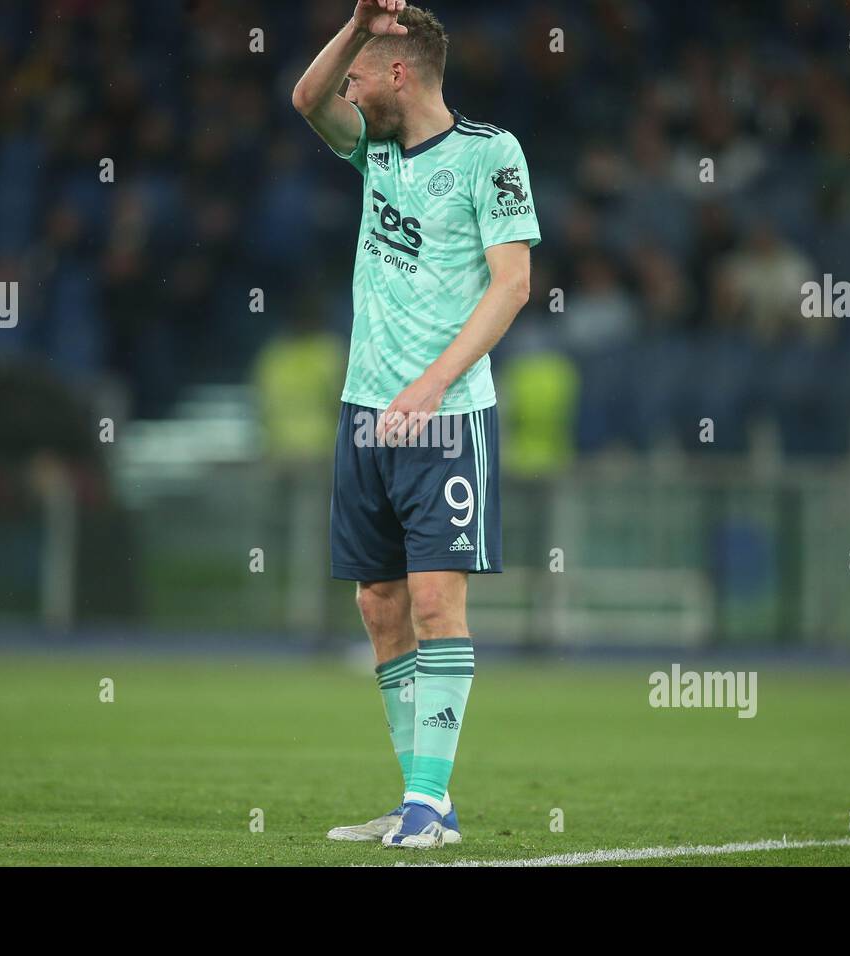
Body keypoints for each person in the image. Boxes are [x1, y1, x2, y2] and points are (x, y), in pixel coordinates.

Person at [291, 0, 540, 848]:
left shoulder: (490, 155)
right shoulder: (375, 151)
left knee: (438, 599)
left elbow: (512, 284)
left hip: (446, 416)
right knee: (379, 604)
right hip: (365, 412)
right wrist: (358, 21)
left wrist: (434, 384)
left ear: (401, 73)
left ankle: (432, 804)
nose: (348, 87)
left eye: (363, 70)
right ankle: (418, 800)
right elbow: (304, 99)